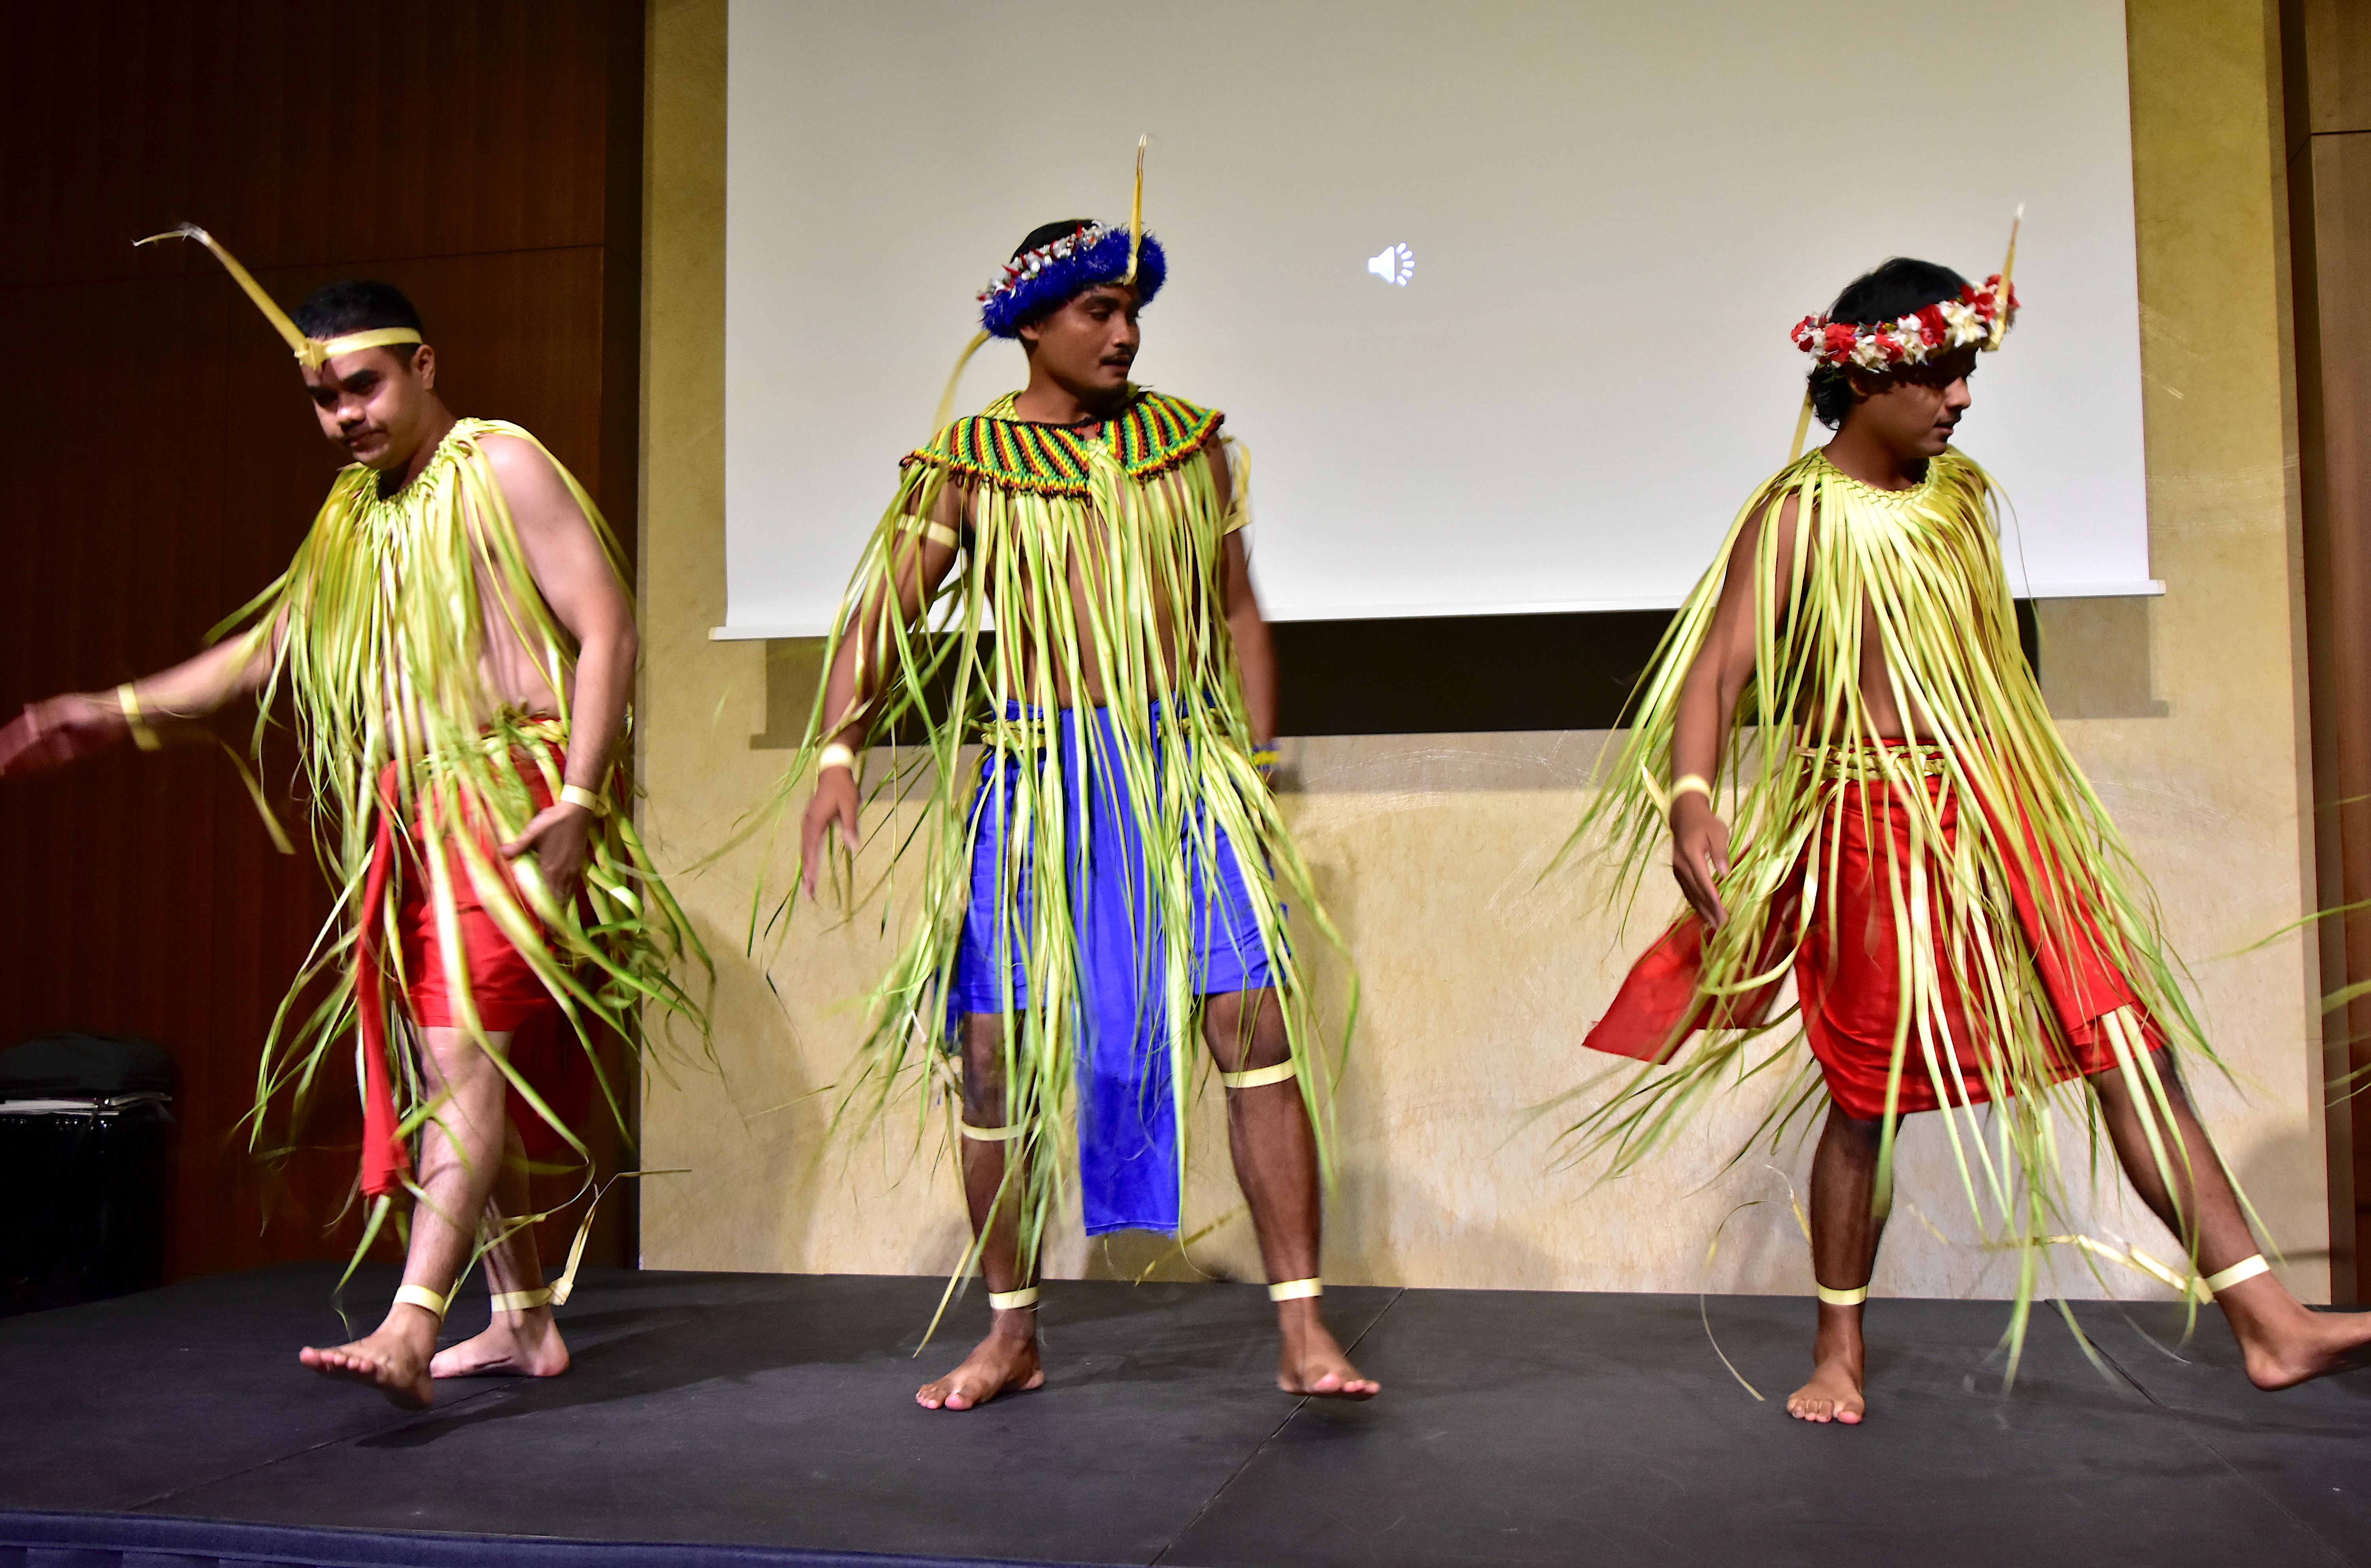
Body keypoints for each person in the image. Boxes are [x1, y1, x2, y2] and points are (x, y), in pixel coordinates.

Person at [1566, 251, 2371, 1425]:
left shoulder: (1962, 498)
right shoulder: (1799, 517)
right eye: (1940, 373)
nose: (1961, 396)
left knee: (2127, 1045)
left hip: (2000, 811)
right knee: (1867, 1098)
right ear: (1871, 377)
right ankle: (1837, 1347)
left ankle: (2269, 1322)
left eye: (1967, 370)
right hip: (1872, 825)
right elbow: (1719, 669)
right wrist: (1693, 799)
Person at [0, 229, 707, 1409]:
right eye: (322, 398)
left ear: (424, 364)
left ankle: (412, 1324)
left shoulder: (501, 462)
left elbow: (608, 629)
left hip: (514, 790)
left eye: (362, 386)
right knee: (452, 1056)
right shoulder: (352, 513)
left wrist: (581, 795)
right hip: (417, 810)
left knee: (458, 1051)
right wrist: (113, 709)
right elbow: (273, 648)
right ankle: (523, 1320)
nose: (342, 415)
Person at [775, 205, 1375, 1410]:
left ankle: (1303, 1329)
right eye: (1099, 312)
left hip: (1180, 766)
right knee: (993, 1054)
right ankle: (1012, 1333)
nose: (1127, 333)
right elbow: (883, 611)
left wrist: (1250, 768)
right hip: (1040, 777)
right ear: (1030, 323)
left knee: (1252, 1031)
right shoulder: (969, 465)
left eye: (1134, 311)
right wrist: (837, 749)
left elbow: (1238, 613)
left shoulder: (1187, 448)